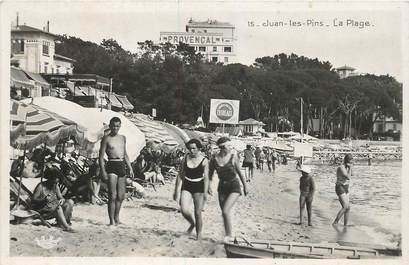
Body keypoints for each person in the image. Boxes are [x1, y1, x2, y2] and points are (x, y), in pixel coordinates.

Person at [209, 137, 248, 239]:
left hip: (234, 185)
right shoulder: (214, 159)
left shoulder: (233, 157)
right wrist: (208, 186)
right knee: (224, 213)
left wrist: (245, 186)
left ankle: (229, 235)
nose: (230, 148)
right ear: (222, 147)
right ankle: (228, 234)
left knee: (226, 211)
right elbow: (210, 174)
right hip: (222, 187)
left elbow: (240, 173)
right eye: (228, 146)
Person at [99, 117, 134, 226]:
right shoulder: (106, 138)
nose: (115, 128)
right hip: (112, 165)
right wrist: (103, 171)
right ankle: (111, 221)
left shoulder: (123, 138)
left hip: (121, 165)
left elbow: (125, 154)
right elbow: (100, 157)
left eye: (118, 126)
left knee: (121, 196)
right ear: (110, 126)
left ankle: (117, 218)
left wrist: (130, 167)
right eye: (113, 126)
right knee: (112, 195)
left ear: (120, 126)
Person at [173, 139, 209, 240]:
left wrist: (205, 193)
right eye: (190, 149)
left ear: (199, 149)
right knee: (184, 209)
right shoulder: (185, 158)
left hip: (199, 186)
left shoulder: (204, 160)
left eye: (194, 148)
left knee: (198, 212)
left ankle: (199, 234)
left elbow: (206, 178)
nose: (191, 151)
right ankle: (192, 224)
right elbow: (180, 174)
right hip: (187, 184)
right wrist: (176, 190)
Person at [31, 167, 75, 232]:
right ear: (49, 179)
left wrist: (62, 199)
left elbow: (61, 197)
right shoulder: (41, 186)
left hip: (52, 208)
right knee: (58, 208)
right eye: (54, 181)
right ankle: (66, 227)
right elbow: (33, 200)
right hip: (43, 211)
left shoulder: (55, 186)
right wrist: (43, 200)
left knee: (70, 202)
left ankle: (62, 223)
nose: (56, 183)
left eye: (57, 181)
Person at [333, 154, 353, 226]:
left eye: (351, 161)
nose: (351, 162)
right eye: (350, 161)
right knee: (345, 206)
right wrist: (350, 168)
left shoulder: (348, 167)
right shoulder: (341, 167)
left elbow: (352, 174)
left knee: (348, 208)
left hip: (346, 187)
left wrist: (350, 168)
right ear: (347, 160)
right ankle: (335, 222)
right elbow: (348, 177)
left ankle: (345, 225)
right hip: (340, 187)